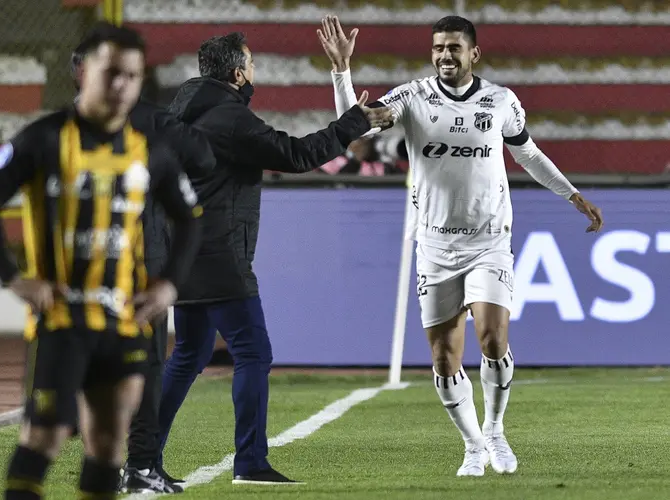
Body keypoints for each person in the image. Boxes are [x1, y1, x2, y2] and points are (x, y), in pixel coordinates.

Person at [318, 15, 604, 476]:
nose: (444, 55)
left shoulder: (501, 102)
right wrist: (341, 72)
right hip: (433, 245)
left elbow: (527, 153)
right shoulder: (413, 97)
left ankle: (495, 429)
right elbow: (357, 128)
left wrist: (572, 194)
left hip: (489, 240)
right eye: (438, 48)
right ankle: (473, 445)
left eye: (454, 47)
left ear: (474, 54)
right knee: (444, 357)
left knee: (492, 338)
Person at [0, 23, 202, 499]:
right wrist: (15, 278)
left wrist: (169, 284)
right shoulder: (42, 139)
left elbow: (191, 218)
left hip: (123, 323)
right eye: (110, 72)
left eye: (131, 77)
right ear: (82, 71)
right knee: (44, 439)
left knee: (109, 443)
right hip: (61, 323)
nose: (120, 85)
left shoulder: (149, 151)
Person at [153, 32, 392, 485]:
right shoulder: (229, 119)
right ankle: (250, 463)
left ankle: (142, 458)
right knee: (252, 352)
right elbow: (298, 155)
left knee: (188, 354)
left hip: (183, 252)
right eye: (253, 65)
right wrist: (351, 124)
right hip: (219, 252)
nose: (255, 73)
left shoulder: (179, 111)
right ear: (237, 72)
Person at [62, 27, 216, 494]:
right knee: (145, 367)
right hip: (141, 265)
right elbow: (204, 158)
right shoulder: (150, 120)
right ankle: (140, 465)